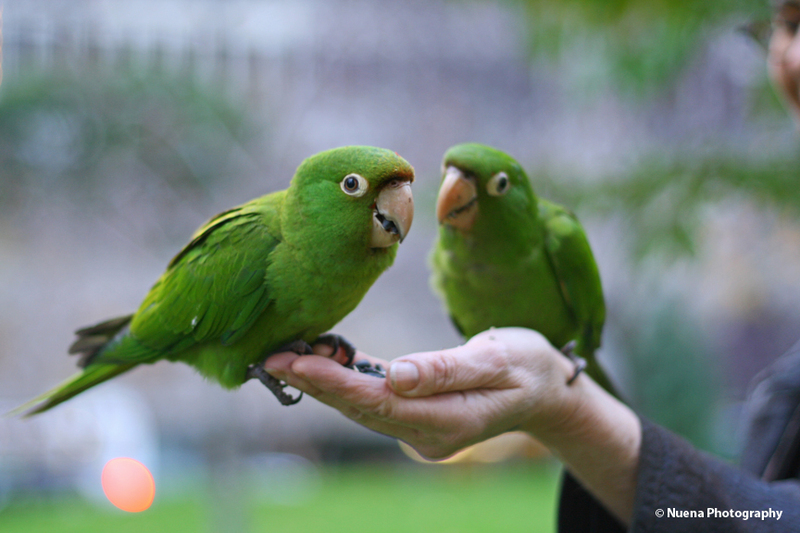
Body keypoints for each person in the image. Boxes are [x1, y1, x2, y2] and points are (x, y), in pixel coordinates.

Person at [265, 2, 800, 530]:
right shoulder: (445, 262)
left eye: (493, 186)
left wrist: (569, 405)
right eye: (785, 25)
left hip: (573, 351)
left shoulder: (560, 237)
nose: (791, 57)